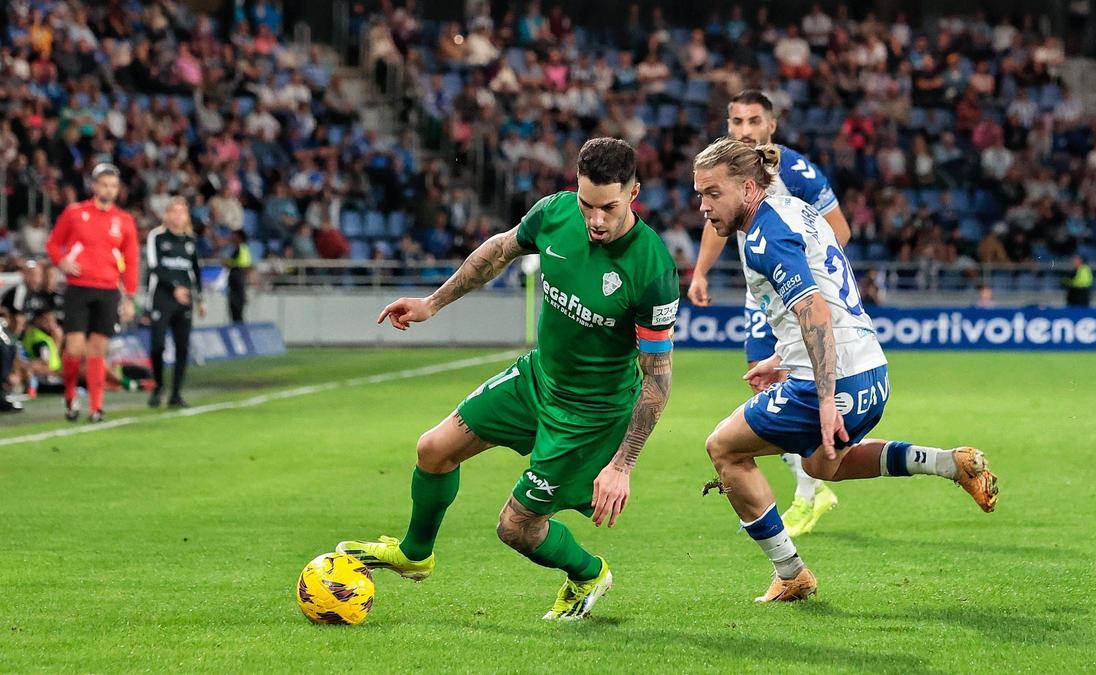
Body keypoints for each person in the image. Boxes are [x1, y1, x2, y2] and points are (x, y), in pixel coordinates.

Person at [337, 138, 679, 621]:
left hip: (589, 415)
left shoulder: (652, 268)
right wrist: (431, 304)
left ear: (634, 193)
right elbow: (498, 251)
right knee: (433, 449)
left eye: (609, 207)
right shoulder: (554, 214)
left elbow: (658, 380)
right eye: (587, 204)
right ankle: (416, 553)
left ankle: (587, 572)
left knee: (516, 528)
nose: (596, 220)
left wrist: (623, 464)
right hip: (536, 379)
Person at [693, 138, 998, 603]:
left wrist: (822, 399)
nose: (703, 207)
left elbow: (814, 308)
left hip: (833, 381)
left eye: (713, 193)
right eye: (700, 194)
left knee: (724, 449)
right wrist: (782, 359)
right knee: (821, 464)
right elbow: (826, 299)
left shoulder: (764, 233)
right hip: (872, 371)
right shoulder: (799, 211)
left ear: (749, 187)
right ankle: (948, 463)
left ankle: (791, 572)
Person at [688, 90, 852, 537]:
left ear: (771, 126)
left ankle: (808, 492)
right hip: (759, 300)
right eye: (737, 121)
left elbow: (840, 229)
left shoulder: (793, 171)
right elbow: (715, 225)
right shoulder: (725, 172)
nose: (744, 130)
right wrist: (701, 272)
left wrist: (812, 278)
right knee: (766, 392)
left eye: (754, 121)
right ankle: (810, 486)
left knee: (785, 395)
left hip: (793, 297)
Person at [45, 163, 139, 423]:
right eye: (104, 184)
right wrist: (61, 262)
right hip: (78, 287)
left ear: (118, 190)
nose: (109, 189)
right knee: (74, 348)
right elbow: (53, 242)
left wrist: (129, 297)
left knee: (98, 349)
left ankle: (96, 407)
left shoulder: (125, 221)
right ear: (94, 186)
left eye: (113, 186)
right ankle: (70, 394)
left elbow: (131, 261)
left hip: (108, 291)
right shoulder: (75, 213)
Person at [145, 197, 206, 408]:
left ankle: (176, 393)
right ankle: (159, 385)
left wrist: (200, 299)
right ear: (167, 214)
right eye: (175, 211)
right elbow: (154, 266)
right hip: (162, 297)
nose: (178, 216)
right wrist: (174, 288)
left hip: (185, 300)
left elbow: (195, 270)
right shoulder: (157, 237)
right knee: (157, 345)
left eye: (183, 212)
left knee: (183, 346)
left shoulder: (190, 240)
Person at [225, 230, 252, 323]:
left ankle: (238, 327)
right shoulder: (245, 248)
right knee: (238, 305)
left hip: (237, 275)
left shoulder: (239, 248)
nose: (232, 238)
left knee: (235, 306)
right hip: (240, 276)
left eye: (234, 236)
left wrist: (226, 262)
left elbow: (230, 262)